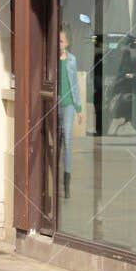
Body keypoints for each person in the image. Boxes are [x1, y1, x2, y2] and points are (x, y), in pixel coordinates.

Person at [57, 27, 81, 199]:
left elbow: (75, 85)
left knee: (67, 142)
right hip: (54, 104)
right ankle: (54, 179)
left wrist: (79, 108)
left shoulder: (72, 60)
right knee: (56, 142)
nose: (59, 44)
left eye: (62, 41)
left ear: (67, 43)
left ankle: (67, 183)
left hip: (69, 106)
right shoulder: (51, 60)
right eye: (57, 41)